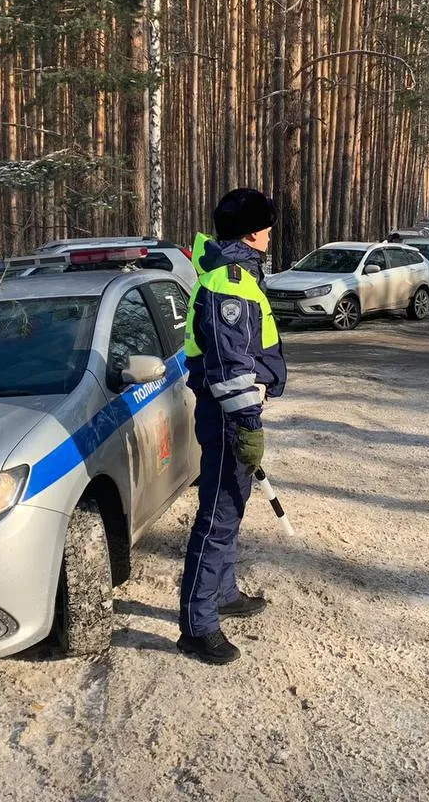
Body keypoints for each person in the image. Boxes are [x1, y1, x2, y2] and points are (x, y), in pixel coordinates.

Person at [178, 188, 287, 665]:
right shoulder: (230, 282)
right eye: (266, 228)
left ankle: (223, 593)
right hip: (227, 415)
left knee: (231, 509)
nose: (269, 236)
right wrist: (246, 422)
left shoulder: (237, 277)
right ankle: (198, 626)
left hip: (232, 412)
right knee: (217, 518)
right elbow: (228, 364)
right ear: (251, 233)